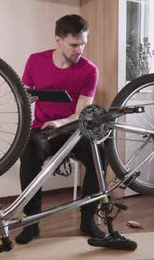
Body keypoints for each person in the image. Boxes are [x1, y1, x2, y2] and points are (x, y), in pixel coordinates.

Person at [16, 14, 106, 245]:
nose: (80, 50)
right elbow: (22, 99)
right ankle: (32, 222)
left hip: (73, 129)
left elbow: (82, 113)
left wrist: (61, 122)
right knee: (29, 149)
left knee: (99, 150)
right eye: (74, 45)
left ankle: (88, 219)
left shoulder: (90, 70)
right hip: (42, 131)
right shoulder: (36, 61)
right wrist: (29, 99)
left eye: (83, 44)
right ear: (59, 40)